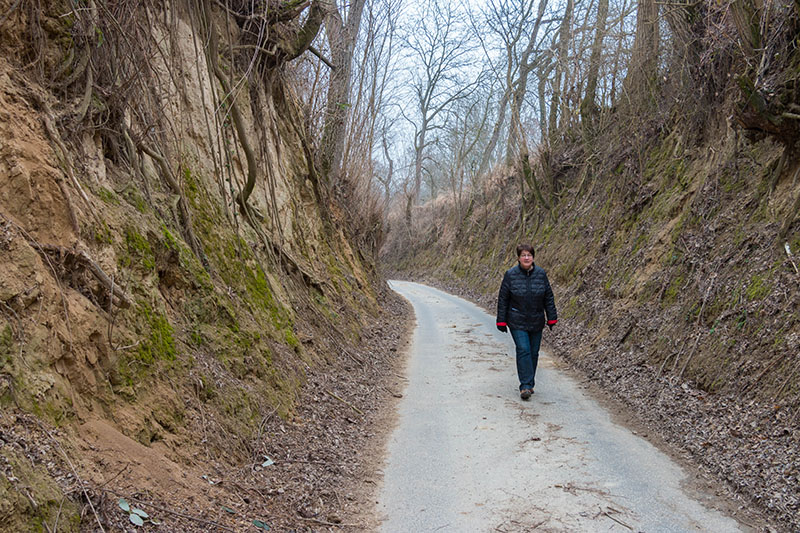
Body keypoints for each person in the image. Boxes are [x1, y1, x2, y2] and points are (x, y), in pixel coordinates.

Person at [496, 244, 558, 400]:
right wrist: (501, 320)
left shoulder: (541, 274)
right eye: (523, 255)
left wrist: (551, 317)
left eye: (529, 255)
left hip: (536, 319)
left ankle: (530, 383)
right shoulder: (510, 275)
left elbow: (548, 297)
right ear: (518, 258)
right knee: (523, 349)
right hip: (517, 319)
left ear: (533, 257)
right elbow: (503, 299)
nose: (526, 258)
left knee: (534, 352)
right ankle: (525, 386)